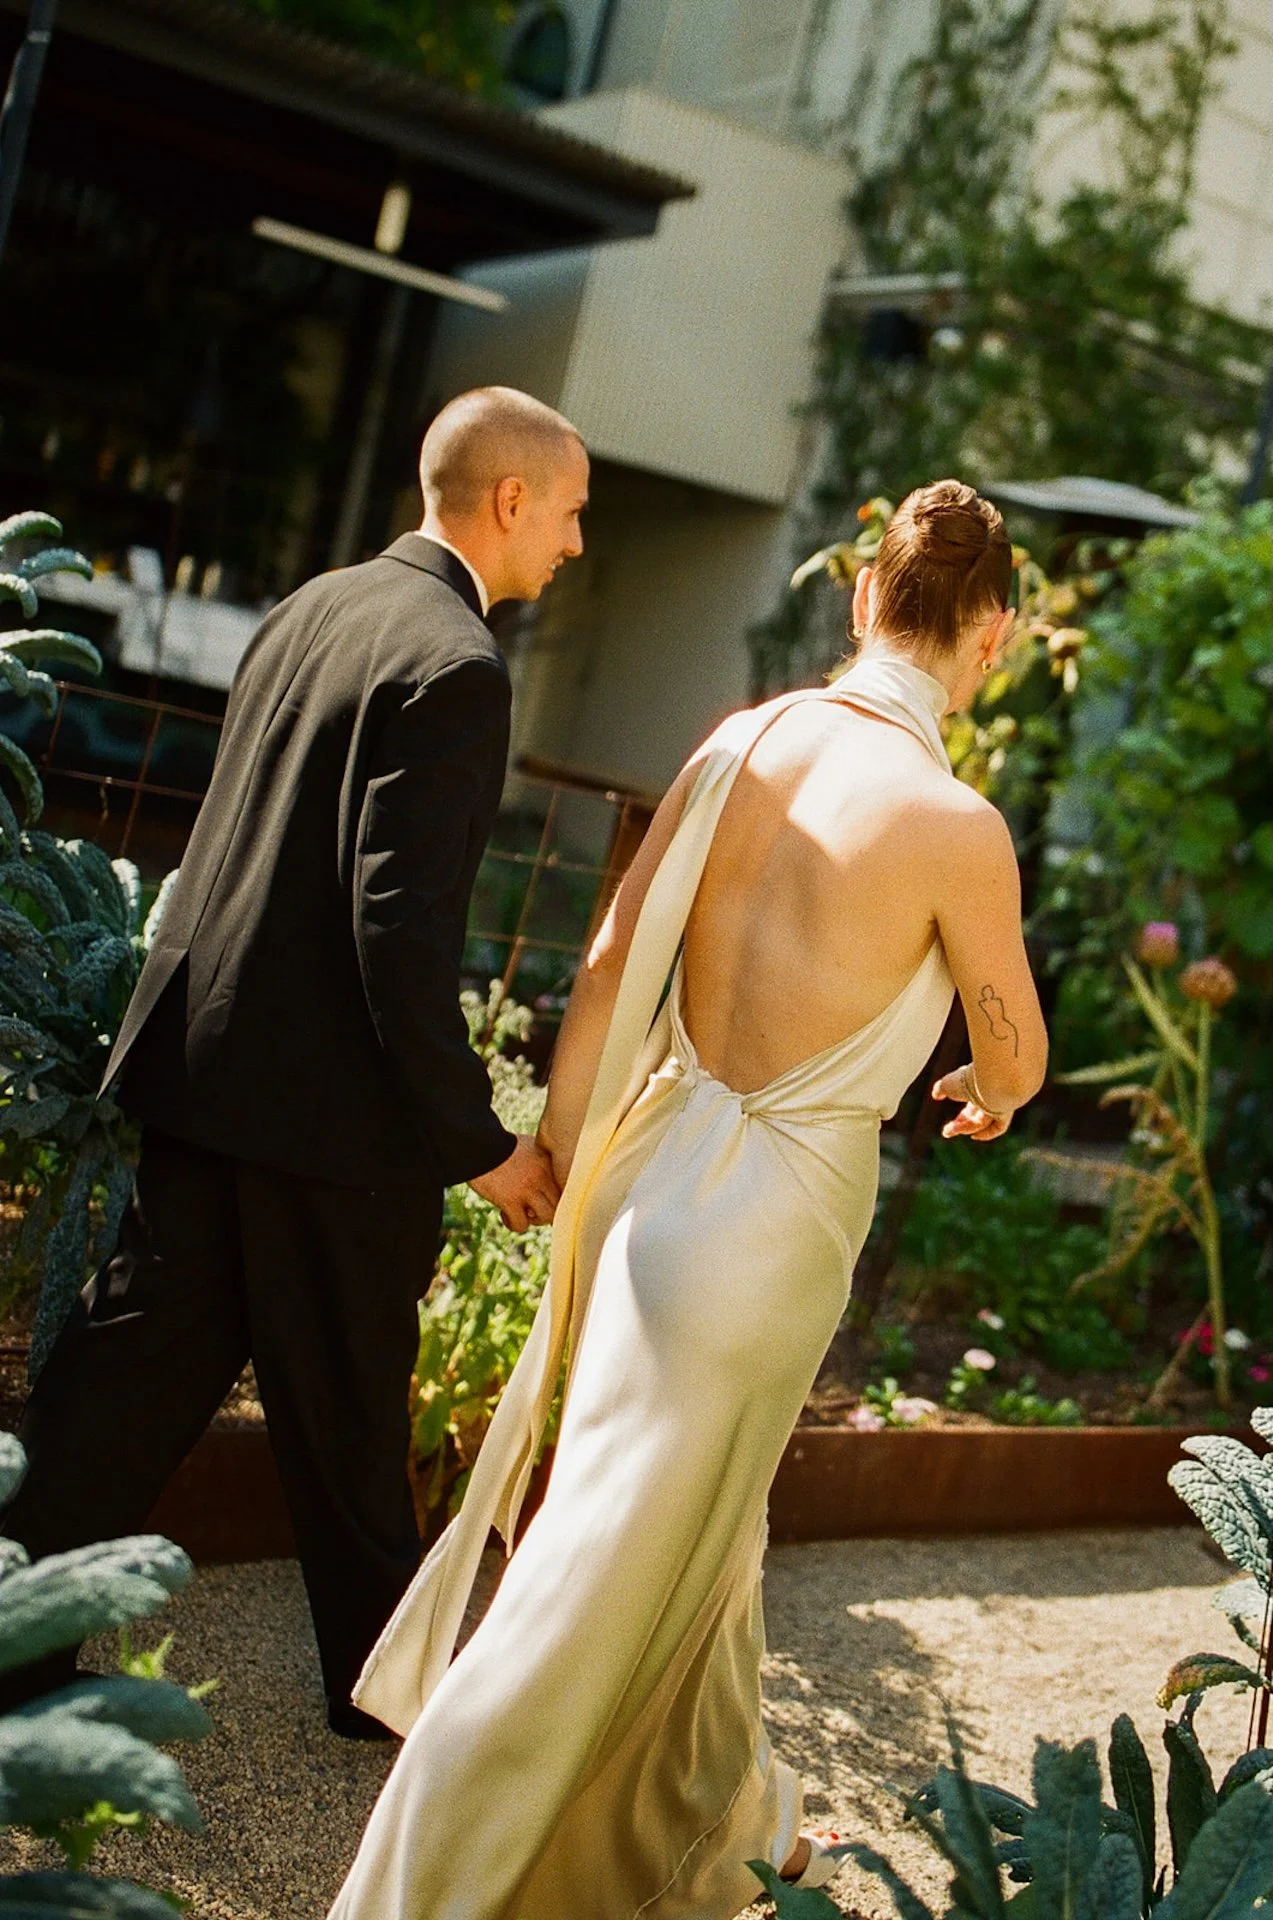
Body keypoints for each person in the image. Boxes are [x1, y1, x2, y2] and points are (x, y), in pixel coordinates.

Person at [327, 478, 1049, 1913]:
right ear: (997, 638)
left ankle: (740, 1829)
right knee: (578, 1596)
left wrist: (560, 1154)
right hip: (767, 1231)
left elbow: (606, 966)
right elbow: (1013, 1043)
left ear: (861, 601)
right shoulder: (955, 822)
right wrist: (994, 1089)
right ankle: (401, 1893)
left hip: (648, 1178)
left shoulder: (742, 742)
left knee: (697, 1538)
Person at [0, 386, 585, 1737]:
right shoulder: (456, 664)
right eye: (566, 512)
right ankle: (393, 1697)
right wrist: (480, 1142)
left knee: (121, 1387)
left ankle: (17, 1637)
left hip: (208, 1071)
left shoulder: (314, 606)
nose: (570, 542)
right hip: (330, 1119)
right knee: (348, 1420)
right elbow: (396, 927)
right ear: (507, 499)